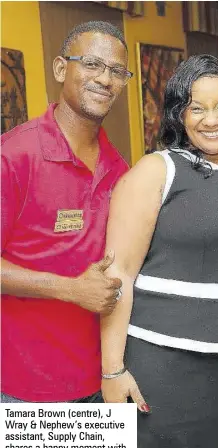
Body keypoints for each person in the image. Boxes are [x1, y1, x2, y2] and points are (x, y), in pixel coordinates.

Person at [100, 54, 218, 447]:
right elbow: (118, 276)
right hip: (166, 365)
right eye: (196, 108)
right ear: (178, 113)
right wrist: (112, 371)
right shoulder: (157, 170)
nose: (211, 120)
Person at [1, 21, 130, 403]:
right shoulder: (13, 156)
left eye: (116, 71)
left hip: (100, 381)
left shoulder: (119, 169)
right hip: (23, 388)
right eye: (91, 64)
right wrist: (71, 289)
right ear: (61, 68)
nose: (105, 79)